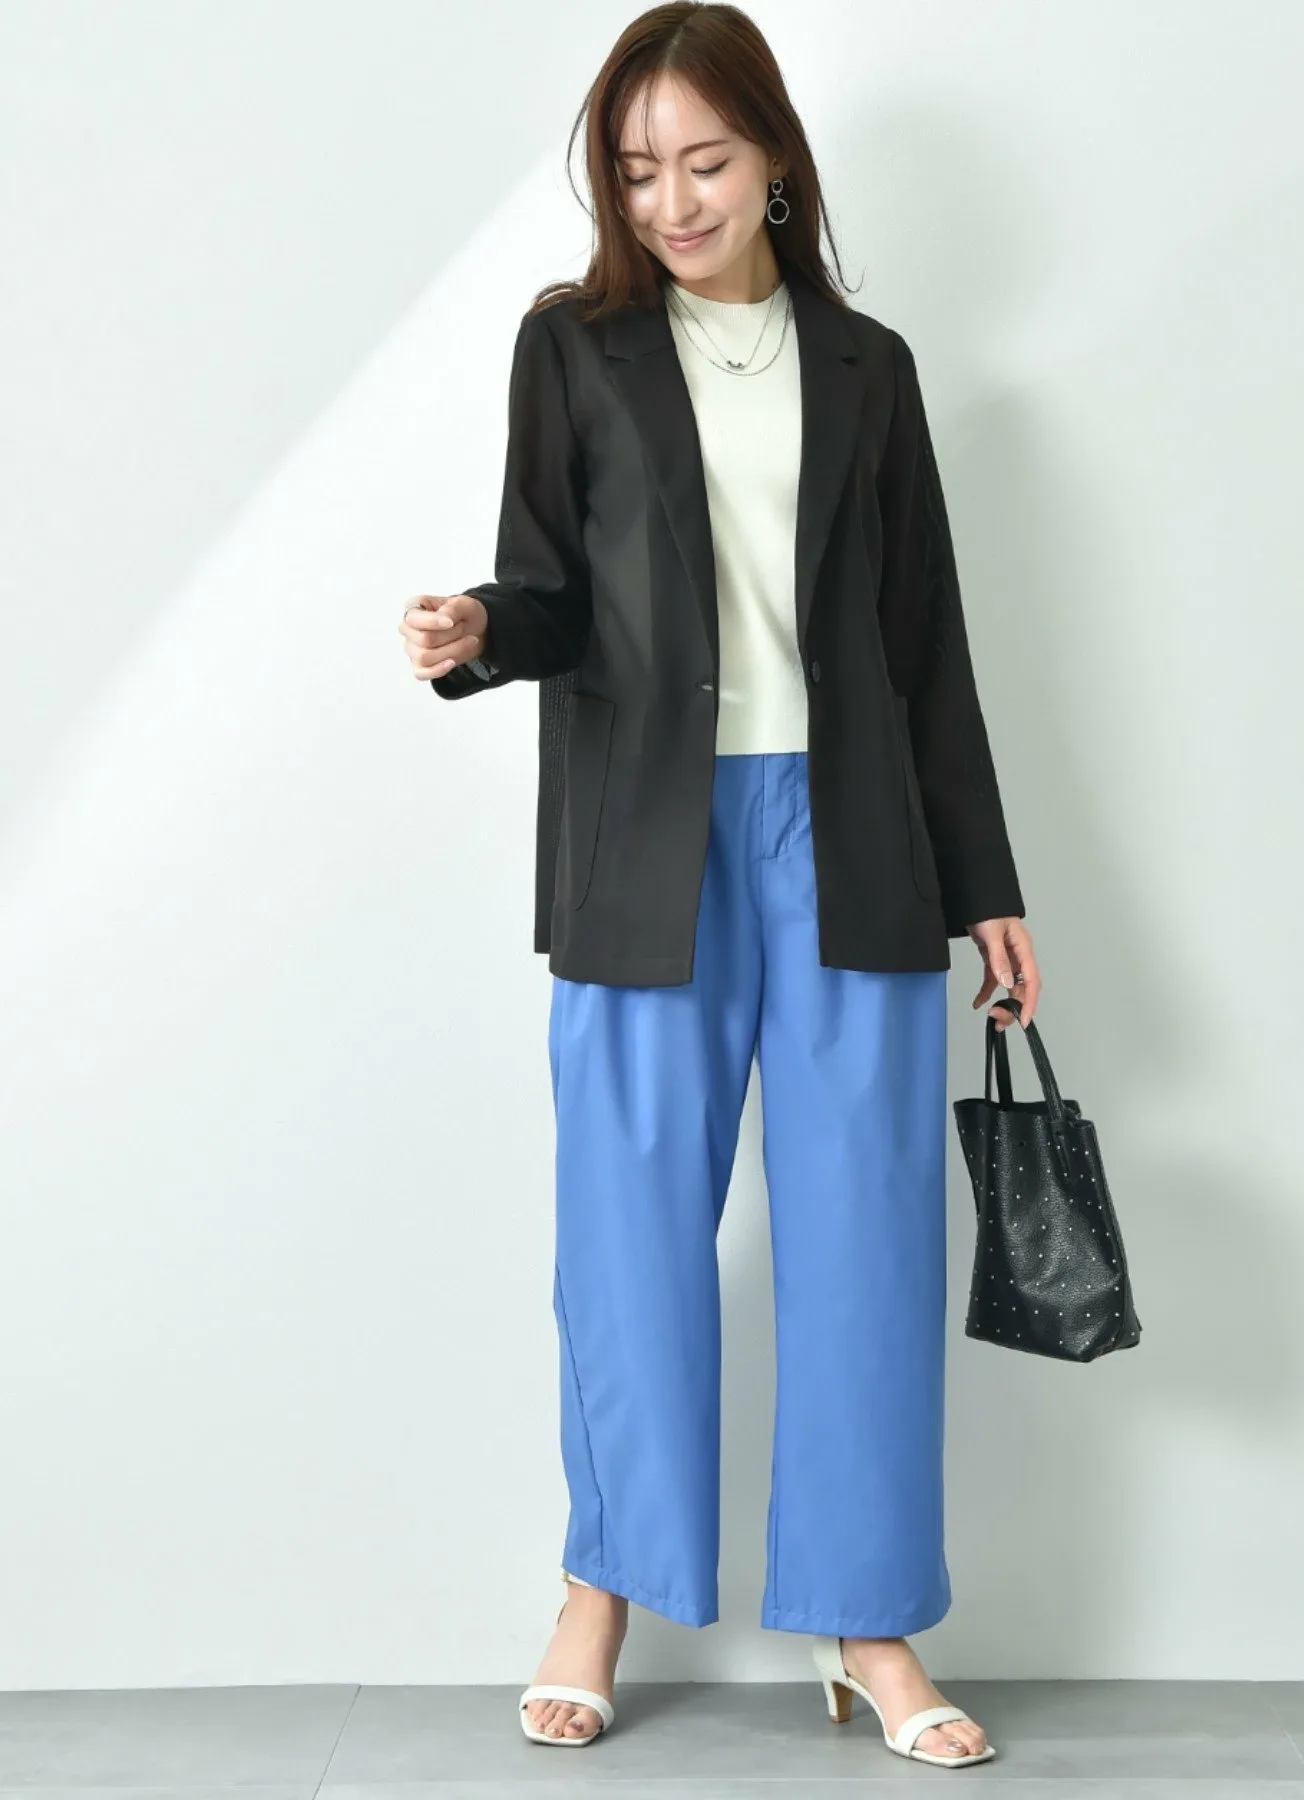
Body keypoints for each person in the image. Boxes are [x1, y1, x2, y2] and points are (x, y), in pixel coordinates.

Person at [398, 0, 1041, 1770]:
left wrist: (986, 880)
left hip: (853, 839)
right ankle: (599, 1591)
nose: (670, 201)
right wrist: (478, 629)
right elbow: (548, 583)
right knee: (627, 1239)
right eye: (636, 170)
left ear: (775, 165)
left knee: (866, 1240)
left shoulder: (870, 368)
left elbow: (925, 647)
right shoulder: (576, 349)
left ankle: (868, 1622)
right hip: (644, 845)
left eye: (704, 161)